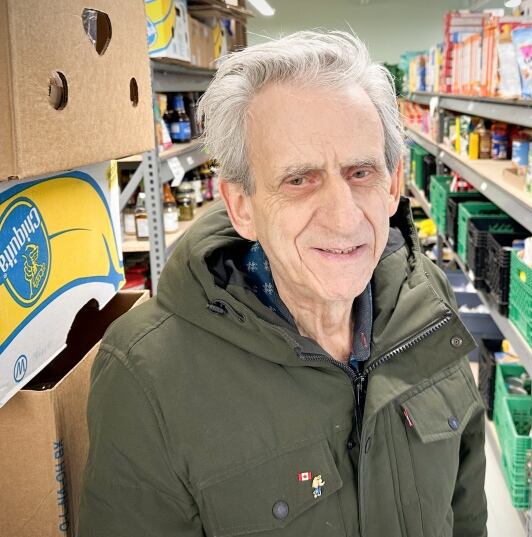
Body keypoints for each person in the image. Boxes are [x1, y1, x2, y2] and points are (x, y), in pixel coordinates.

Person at [79, 31, 487, 537]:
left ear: (393, 184)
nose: (343, 219)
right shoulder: (147, 374)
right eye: (299, 180)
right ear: (242, 206)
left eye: (361, 172)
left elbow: (465, 497)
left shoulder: (425, 302)